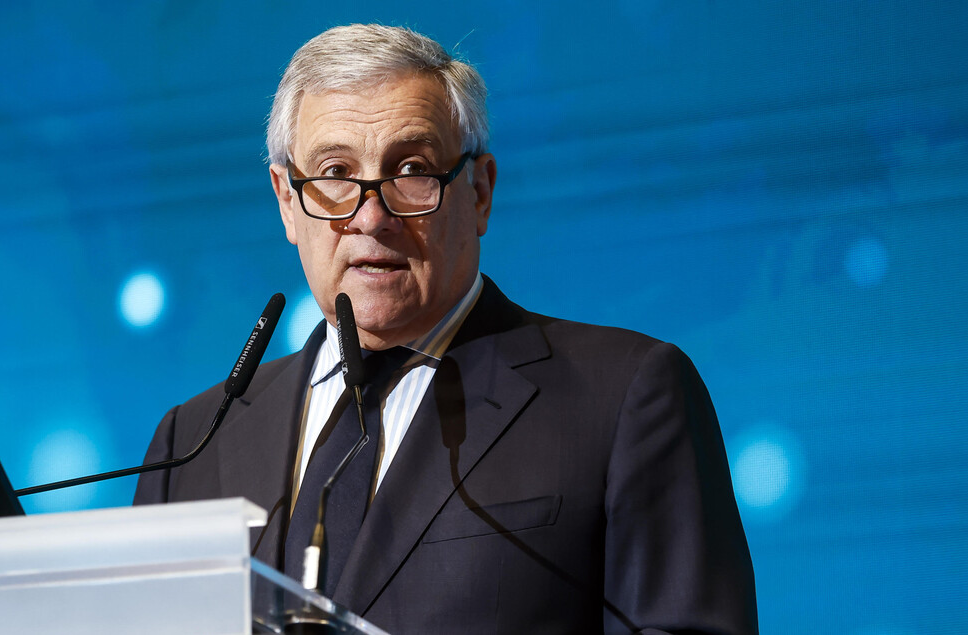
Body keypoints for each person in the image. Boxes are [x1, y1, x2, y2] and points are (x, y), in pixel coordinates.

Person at [135, 24, 757, 634]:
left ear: (480, 192)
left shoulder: (620, 396)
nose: (371, 217)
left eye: (411, 169)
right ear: (286, 201)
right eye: (335, 172)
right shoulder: (191, 442)